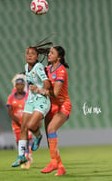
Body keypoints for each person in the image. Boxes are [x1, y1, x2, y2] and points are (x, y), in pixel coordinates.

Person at [30, 46, 71, 176]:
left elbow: (56, 93)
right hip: (51, 106)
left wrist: (39, 90)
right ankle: (60, 166)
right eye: (49, 52)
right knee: (49, 136)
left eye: (52, 53)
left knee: (51, 129)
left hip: (63, 105)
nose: (49, 54)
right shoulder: (47, 69)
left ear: (58, 57)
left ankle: (53, 162)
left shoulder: (61, 71)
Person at [11, 45, 51, 167]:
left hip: (41, 100)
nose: (29, 55)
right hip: (30, 100)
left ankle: (38, 136)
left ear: (37, 56)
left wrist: (40, 89)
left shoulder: (38, 67)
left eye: (32, 54)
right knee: (24, 127)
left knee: (31, 125)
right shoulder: (26, 67)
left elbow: (47, 83)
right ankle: (21, 156)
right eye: (27, 53)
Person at [7, 76, 33, 169]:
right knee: (19, 142)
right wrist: (16, 120)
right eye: (18, 85)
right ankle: (22, 158)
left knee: (29, 139)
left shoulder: (28, 96)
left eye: (22, 84)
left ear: (24, 85)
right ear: (15, 86)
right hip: (16, 124)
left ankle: (28, 157)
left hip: (27, 123)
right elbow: (9, 111)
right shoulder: (11, 97)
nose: (20, 86)